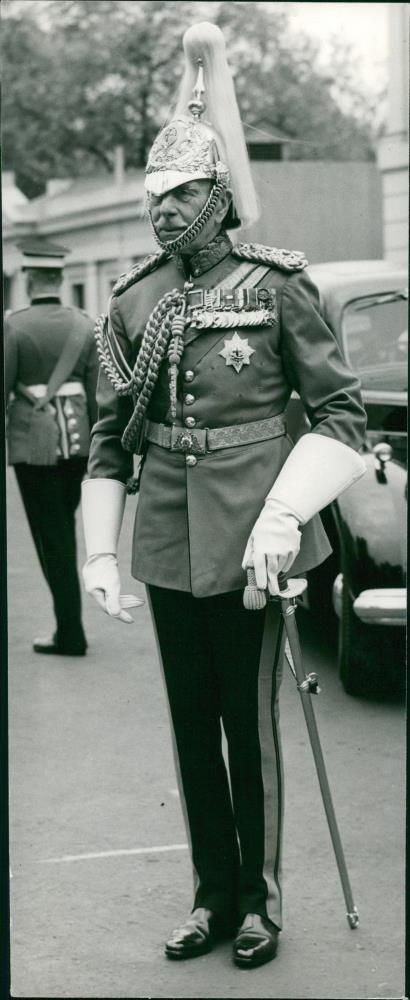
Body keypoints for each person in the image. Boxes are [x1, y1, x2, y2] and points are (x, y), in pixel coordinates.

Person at [81, 22, 367, 969]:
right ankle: (208, 895)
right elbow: (113, 445)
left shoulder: (281, 287)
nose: (166, 213)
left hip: (258, 539)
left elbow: (341, 421)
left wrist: (286, 512)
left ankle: (260, 901)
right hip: (167, 538)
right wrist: (98, 549)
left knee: (252, 729)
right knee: (190, 727)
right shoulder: (131, 303)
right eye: (155, 197)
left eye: (185, 194)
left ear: (220, 197)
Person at [5, 238, 98, 656]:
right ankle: (69, 626)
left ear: (28, 279)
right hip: (78, 442)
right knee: (64, 532)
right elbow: (100, 397)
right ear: (60, 278)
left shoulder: (13, 325)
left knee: (52, 538)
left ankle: (70, 632)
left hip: (33, 444)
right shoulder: (84, 323)